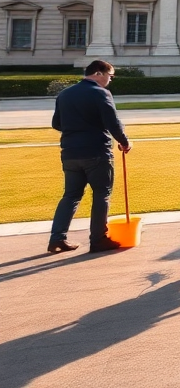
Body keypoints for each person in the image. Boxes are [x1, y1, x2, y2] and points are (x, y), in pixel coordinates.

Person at [48, 60, 131, 254]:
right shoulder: (100, 93)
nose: (110, 80)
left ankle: (57, 238)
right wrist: (125, 142)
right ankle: (98, 239)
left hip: (70, 152)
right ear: (98, 73)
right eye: (110, 76)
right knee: (102, 194)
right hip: (95, 151)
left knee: (71, 195)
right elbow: (113, 123)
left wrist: (77, 126)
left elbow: (57, 124)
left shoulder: (65, 94)